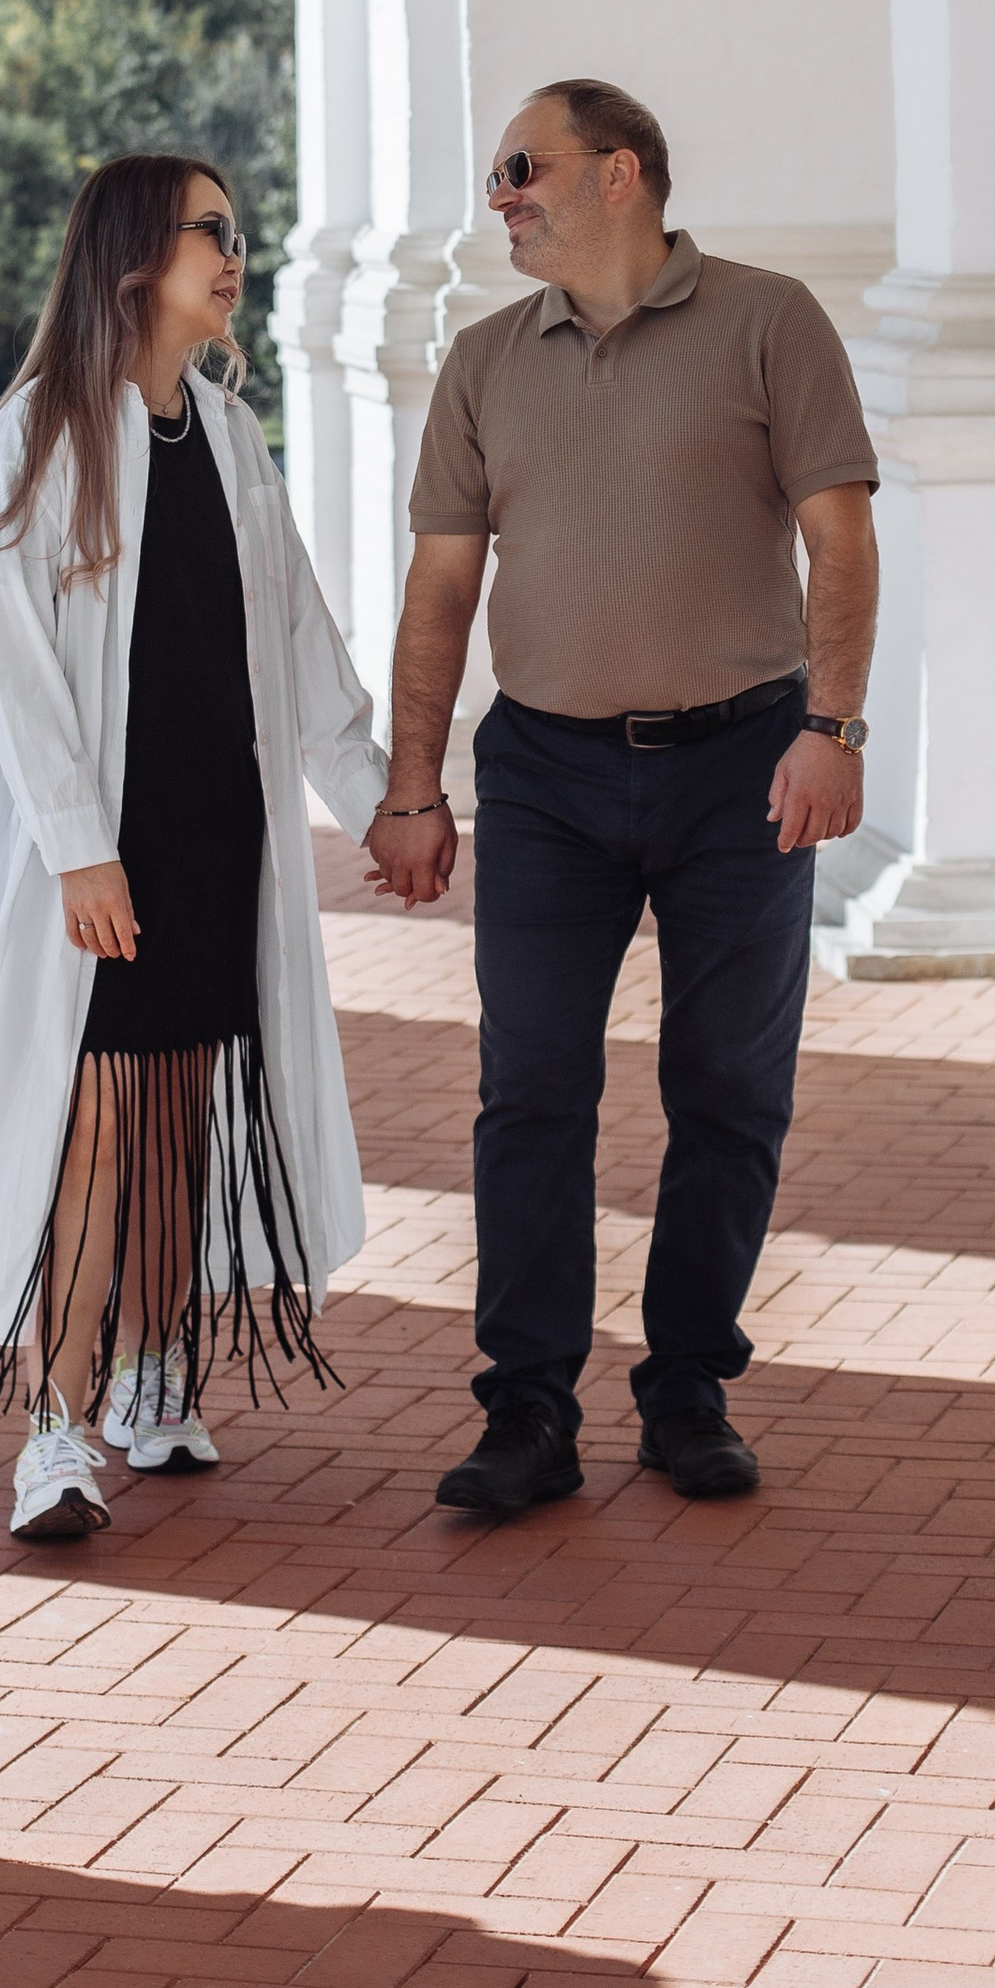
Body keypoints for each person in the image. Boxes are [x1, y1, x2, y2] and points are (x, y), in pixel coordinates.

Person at [364, 78, 878, 1518]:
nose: (502, 194)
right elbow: (443, 589)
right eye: (495, 174)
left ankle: (688, 1389)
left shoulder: (771, 322)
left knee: (728, 1090)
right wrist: (416, 786)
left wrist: (832, 726)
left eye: (524, 167)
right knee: (531, 1092)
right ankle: (526, 1410)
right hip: (545, 776)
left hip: (745, 762)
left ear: (622, 176)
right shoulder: (482, 364)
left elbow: (841, 542)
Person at [0, 151, 387, 1545]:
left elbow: (295, 632)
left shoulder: (233, 438)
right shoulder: (41, 439)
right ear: (136, 258)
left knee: (181, 1106)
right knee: (101, 1127)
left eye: (236, 233)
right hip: (106, 849)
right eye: (211, 233)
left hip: (215, 829)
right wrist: (77, 848)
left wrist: (375, 798)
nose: (235, 254)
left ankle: (149, 1378)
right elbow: (20, 675)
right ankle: (52, 1438)